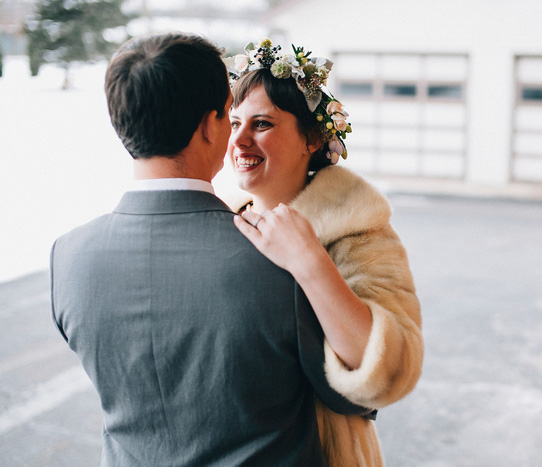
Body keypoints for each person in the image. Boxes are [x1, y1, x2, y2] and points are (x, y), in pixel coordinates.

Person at [50, 32, 372, 466]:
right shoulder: (276, 256)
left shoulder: (67, 258)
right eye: (228, 115)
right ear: (209, 125)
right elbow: (355, 396)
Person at [225, 39, 424, 466]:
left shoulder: (360, 232)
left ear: (313, 138)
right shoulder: (222, 221)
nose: (239, 140)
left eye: (261, 124)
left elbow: (391, 369)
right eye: (233, 122)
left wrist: (309, 261)